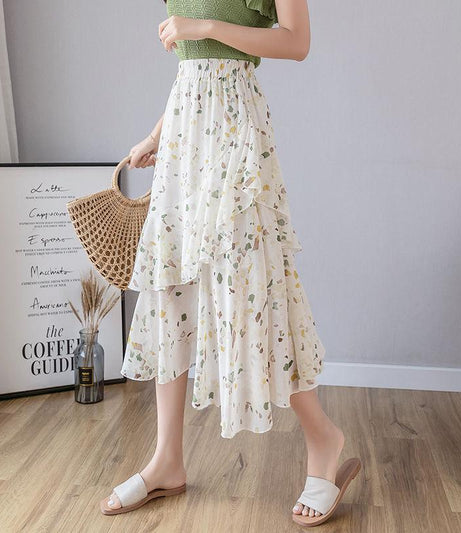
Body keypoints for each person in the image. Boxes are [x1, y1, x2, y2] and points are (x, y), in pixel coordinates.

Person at [100, 0, 360, 527]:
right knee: (171, 286)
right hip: (185, 135)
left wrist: (204, 25)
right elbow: (195, 65)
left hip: (237, 134)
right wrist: (157, 135)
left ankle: (323, 439)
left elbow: (297, 41)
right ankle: (167, 459)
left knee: (254, 288)